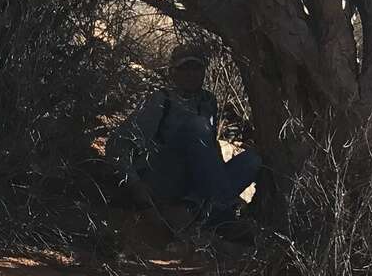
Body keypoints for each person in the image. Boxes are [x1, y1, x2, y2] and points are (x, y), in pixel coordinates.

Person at [112, 41, 261, 226]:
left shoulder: (208, 102)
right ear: (173, 72)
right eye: (184, 68)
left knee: (252, 160)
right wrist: (136, 187)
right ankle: (219, 215)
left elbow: (209, 151)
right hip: (163, 176)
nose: (191, 74)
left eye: (196, 67)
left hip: (195, 181)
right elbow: (118, 144)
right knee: (197, 125)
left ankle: (192, 210)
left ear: (204, 71)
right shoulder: (160, 100)